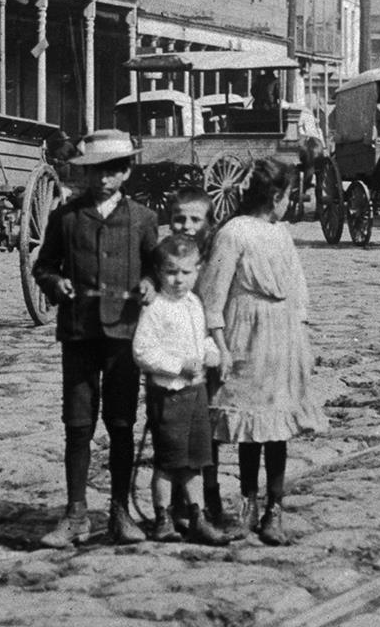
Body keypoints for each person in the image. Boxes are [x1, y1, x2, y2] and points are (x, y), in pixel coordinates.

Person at [32, 128, 161, 547]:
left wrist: (148, 283)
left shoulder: (142, 219)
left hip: (124, 333)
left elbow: (155, 268)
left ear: (125, 172)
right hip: (79, 332)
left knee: (121, 422)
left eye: (111, 171)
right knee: (78, 423)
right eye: (94, 172)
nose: (102, 179)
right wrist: (55, 285)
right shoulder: (65, 217)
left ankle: (120, 512)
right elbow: (43, 266)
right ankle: (75, 514)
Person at [196, 159, 326, 545]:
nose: (290, 203)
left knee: (276, 426)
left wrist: (300, 339)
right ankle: (246, 502)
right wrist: (220, 345)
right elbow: (212, 295)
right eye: (288, 196)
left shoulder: (281, 234)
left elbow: (298, 288)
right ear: (275, 196)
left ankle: (275, 508)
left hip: (280, 335)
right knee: (250, 423)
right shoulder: (233, 232)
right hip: (245, 335)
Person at [132, 234, 229, 545]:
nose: (178, 280)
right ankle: (162, 517)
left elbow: (199, 340)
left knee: (195, 461)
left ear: (197, 271)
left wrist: (211, 353)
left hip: (196, 393)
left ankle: (196, 515)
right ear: (159, 272)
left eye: (186, 273)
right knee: (168, 462)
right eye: (171, 272)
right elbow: (143, 351)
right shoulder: (156, 308)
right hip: (169, 394)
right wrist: (177, 365)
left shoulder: (194, 304)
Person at [165, 188, 241, 540]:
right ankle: (176, 503)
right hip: (174, 355)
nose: (187, 226)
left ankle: (208, 497)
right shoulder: (166, 255)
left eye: (196, 219)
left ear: (209, 223)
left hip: (208, 348)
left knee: (207, 430)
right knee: (175, 430)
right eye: (180, 218)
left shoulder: (214, 253)